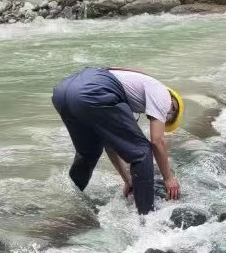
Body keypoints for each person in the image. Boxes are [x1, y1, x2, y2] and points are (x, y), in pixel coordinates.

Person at [52, 67, 184, 215]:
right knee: (142, 152)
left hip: (61, 93)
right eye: (167, 120)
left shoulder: (130, 97)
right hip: (92, 91)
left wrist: (127, 180)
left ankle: (69, 204)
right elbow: (156, 141)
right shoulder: (163, 96)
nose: (161, 121)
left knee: (88, 153)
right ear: (173, 108)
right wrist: (168, 178)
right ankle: (147, 218)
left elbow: (111, 145)